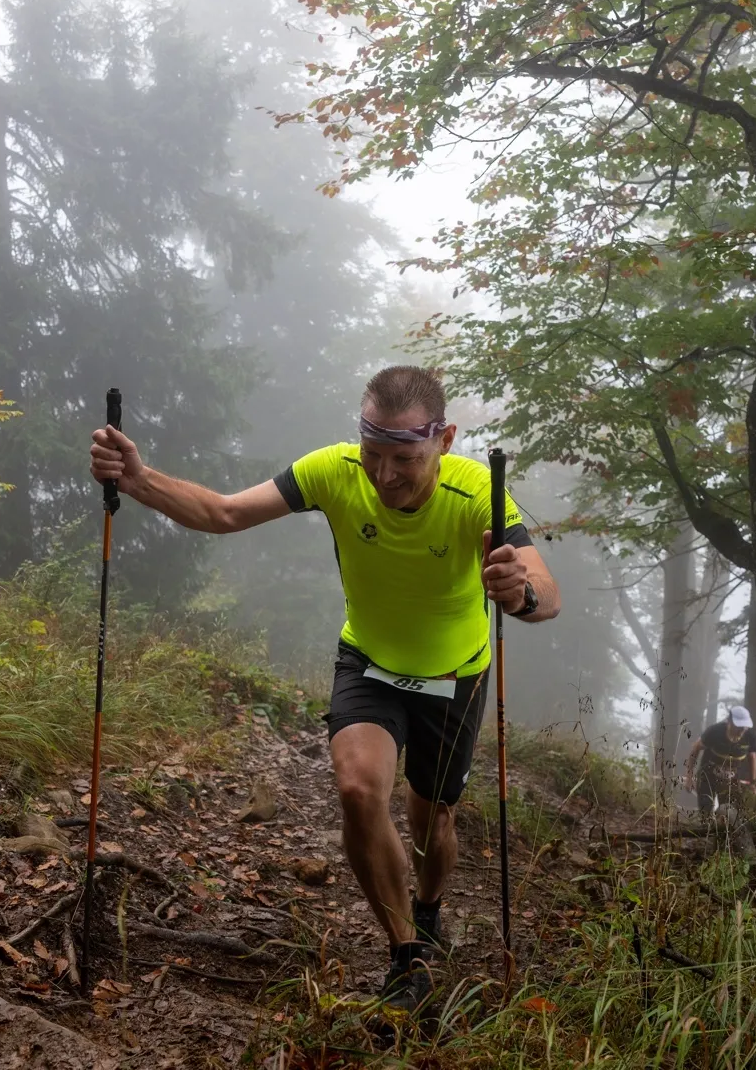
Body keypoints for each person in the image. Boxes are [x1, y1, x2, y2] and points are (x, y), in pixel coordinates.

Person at [89, 366, 561, 1010]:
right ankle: (406, 956)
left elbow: (544, 590)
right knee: (359, 789)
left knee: (433, 821)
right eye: (373, 453)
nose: (385, 474)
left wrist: (521, 593)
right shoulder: (332, 471)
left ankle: (428, 907)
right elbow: (225, 513)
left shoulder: (477, 490)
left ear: (445, 440)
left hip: (455, 675)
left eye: (405, 458)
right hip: (369, 662)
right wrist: (138, 479)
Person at [684, 706, 756, 815]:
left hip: (731, 778)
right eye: (739, 726)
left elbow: (752, 758)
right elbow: (695, 749)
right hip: (708, 775)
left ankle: (721, 823)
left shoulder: (750, 736)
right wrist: (689, 777)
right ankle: (707, 822)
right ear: (729, 721)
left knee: (731, 812)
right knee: (706, 810)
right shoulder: (715, 732)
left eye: (744, 726)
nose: (742, 730)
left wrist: (752, 783)